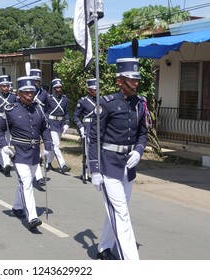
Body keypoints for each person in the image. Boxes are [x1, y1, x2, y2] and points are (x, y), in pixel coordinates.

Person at [88, 58, 148, 260]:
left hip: (128, 166)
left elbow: (143, 133)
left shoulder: (140, 104)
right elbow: (94, 139)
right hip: (109, 165)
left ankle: (104, 247)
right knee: (121, 213)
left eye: (137, 79)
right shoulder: (106, 104)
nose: (136, 83)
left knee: (116, 210)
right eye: (131, 79)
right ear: (119, 81)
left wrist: (139, 151)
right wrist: (94, 169)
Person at [0, 76, 52, 231]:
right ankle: (32, 216)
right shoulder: (10, 110)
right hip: (18, 152)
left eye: (32, 92)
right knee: (26, 182)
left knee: (25, 182)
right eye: (26, 92)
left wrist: (47, 147)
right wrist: (4, 146)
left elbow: (45, 129)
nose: (30, 95)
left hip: (34, 152)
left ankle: (17, 206)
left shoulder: (38, 109)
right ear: (19, 94)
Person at [73, 78, 97, 181]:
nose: (96, 91)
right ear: (89, 90)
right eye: (93, 89)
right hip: (88, 127)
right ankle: (86, 172)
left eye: (97, 89)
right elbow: (75, 116)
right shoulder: (83, 101)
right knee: (88, 152)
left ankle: (96, 171)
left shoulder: (101, 100)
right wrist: (81, 127)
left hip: (97, 127)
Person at [45, 78, 71, 173]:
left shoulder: (65, 99)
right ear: (54, 88)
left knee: (53, 146)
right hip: (52, 123)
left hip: (60, 124)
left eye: (60, 87)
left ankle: (48, 163)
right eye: (57, 87)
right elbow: (46, 111)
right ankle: (63, 164)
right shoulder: (49, 98)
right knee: (56, 145)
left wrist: (67, 123)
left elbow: (66, 112)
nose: (59, 89)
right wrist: (46, 122)